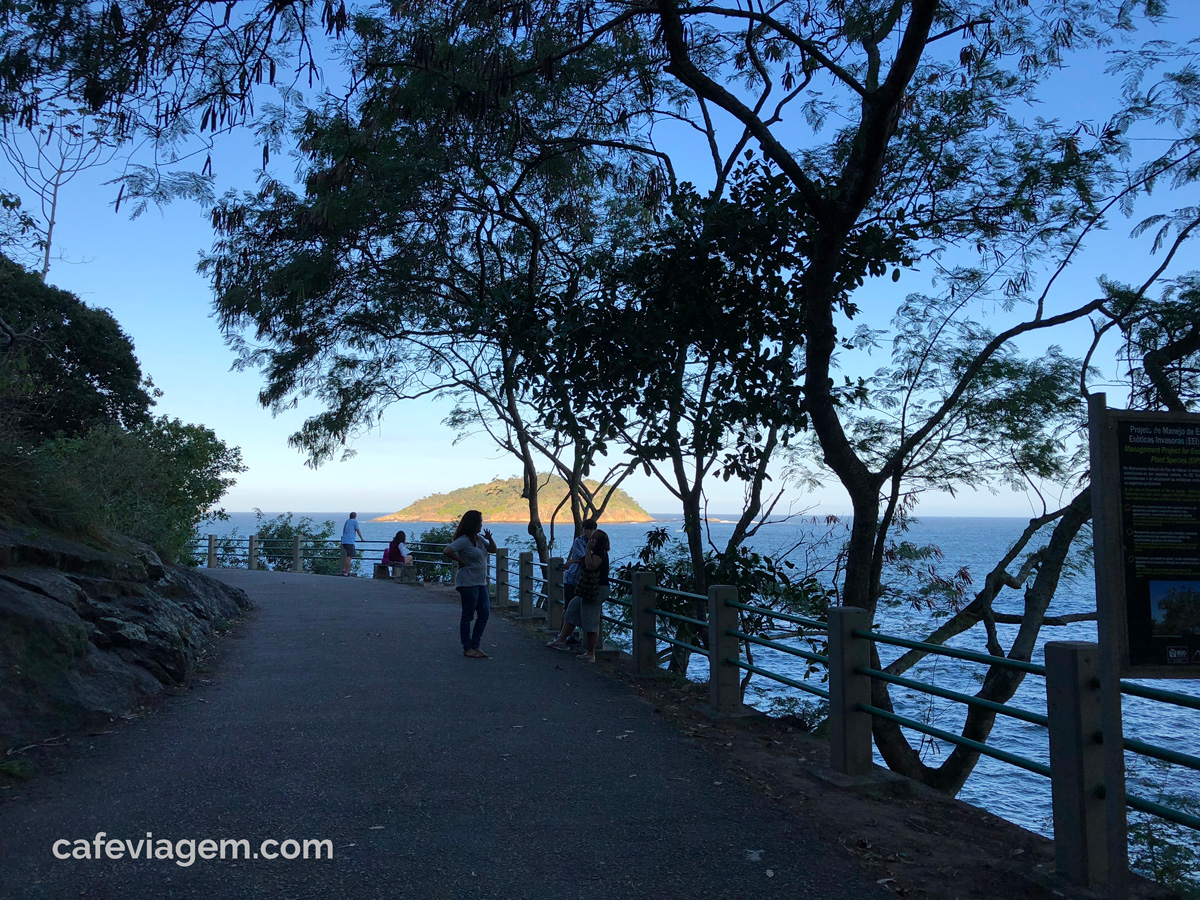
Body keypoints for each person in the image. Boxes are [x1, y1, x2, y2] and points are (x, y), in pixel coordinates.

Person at [547, 528, 609, 662]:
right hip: (587, 589)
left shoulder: (599, 552)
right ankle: (561, 640)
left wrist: (587, 549)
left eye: (593, 537)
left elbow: (590, 565)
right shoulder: (595, 551)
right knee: (572, 610)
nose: (590, 539)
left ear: (597, 541)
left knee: (590, 621)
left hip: (595, 590)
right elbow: (584, 561)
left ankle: (591, 653)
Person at [443, 510, 499, 659]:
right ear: (473, 523)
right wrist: (461, 561)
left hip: (480, 582)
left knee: (484, 613)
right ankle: (467, 647)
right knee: (468, 615)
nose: (482, 523)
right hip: (467, 582)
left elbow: (493, 550)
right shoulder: (464, 540)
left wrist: (490, 539)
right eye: (480, 521)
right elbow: (447, 550)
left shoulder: (479, 539)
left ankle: (476, 645)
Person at [560, 518, 598, 646]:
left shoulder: (596, 543)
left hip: (585, 581)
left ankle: (570, 635)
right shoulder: (579, 541)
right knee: (568, 606)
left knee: (580, 609)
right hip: (572, 578)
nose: (587, 532)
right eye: (586, 529)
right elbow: (584, 558)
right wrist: (574, 561)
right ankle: (563, 635)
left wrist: (571, 561)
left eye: (590, 530)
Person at [340, 512, 364, 576]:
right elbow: (358, 530)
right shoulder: (355, 522)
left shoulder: (347, 521)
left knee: (348, 556)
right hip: (350, 541)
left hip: (344, 541)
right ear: (355, 516)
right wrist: (362, 538)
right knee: (349, 557)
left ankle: (345, 570)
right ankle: (346, 572)